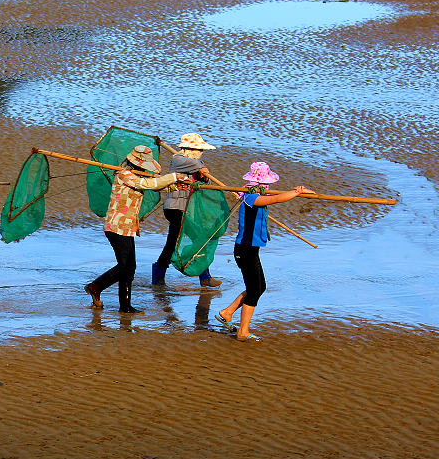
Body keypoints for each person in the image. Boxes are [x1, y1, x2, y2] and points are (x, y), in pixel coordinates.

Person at [215, 162, 315, 341]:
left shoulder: (255, 193)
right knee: (254, 290)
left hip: (252, 249)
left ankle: (227, 312)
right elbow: (275, 199)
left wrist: (302, 191)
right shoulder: (250, 197)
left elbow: (276, 196)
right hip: (244, 249)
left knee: (260, 287)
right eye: (265, 184)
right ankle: (243, 331)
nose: (267, 187)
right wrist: (297, 192)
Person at [85, 145, 189, 313]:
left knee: (129, 266)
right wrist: (173, 177)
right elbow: (147, 184)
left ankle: (125, 306)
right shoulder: (124, 175)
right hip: (116, 226)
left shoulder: (135, 176)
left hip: (127, 227)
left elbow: (152, 185)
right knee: (125, 266)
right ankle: (96, 286)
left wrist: (175, 186)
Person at [152, 132, 222, 287]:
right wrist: (203, 171)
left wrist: (203, 177)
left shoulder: (192, 162)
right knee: (173, 242)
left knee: (199, 239)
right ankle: (158, 275)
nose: (201, 153)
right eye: (200, 150)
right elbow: (202, 168)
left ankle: (204, 276)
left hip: (187, 209)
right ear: (191, 150)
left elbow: (204, 176)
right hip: (176, 208)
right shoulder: (178, 160)